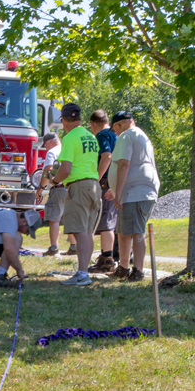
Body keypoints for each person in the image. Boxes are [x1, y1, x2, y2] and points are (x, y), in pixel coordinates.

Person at [51, 102, 101, 286]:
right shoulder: (91, 136)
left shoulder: (70, 138)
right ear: (79, 118)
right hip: (94, 185)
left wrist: (55, 181)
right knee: (87, 232)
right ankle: (84, 271)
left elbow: (66, 168)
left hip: (79, 186)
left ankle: (82, 274)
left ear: (63, 120)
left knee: (80, 232)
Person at [106, 110, 160, 282]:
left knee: (136, 232)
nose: (115, 133)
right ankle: (123, 267)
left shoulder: (127, 135)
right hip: (135, 190)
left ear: (119, 125)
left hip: (135, 192)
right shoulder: (141, 136)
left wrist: (118, 191)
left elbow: (124, 165)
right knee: (123, 231)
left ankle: (138, 271)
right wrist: (114, 189)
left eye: (115, 129)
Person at [35, 132, 75, 257]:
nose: (46, 147)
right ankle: (74, 247)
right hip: (72, 188)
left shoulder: (52, 152)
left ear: (50, 141)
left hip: (58, 188)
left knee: (54, 218)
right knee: (69, 218)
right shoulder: (69, 150)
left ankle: (54, 248)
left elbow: (48, 170)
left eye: (45, 144)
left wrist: (41, 188)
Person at [88, 109, 117, 273]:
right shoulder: (117, 134)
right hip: (116, 181)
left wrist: (96, 179)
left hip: (106, 181)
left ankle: (107, 260)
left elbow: (106, 156)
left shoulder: (102, 135)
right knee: (110, 219)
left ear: (93, 123)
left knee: (105, 221)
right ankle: (110, 256)